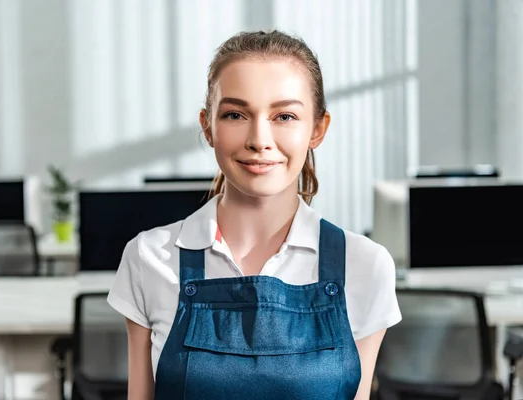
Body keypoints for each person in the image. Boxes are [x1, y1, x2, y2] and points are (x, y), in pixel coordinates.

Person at [108, 30, 402, 400]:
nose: (259, 139)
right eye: (235, 114)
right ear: (208, 126)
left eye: (285, 116)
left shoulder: (364, 264)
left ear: (318, 129)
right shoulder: (149, 257)